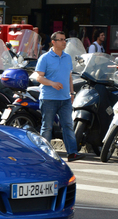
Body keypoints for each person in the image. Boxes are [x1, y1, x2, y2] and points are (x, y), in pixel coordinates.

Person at [34, 31, 85, 162]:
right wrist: (52, 83)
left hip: (65, 99)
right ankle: (43, 153)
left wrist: (72, 93)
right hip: (49, 98)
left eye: (65, 40)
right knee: (47, 127)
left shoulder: (67, 57)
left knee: (68, 125)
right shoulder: (44, 58)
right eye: (61, 40)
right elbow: (39, 77)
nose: (64, 42)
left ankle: (72, 153)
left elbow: (69, 76)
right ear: (54, 42)